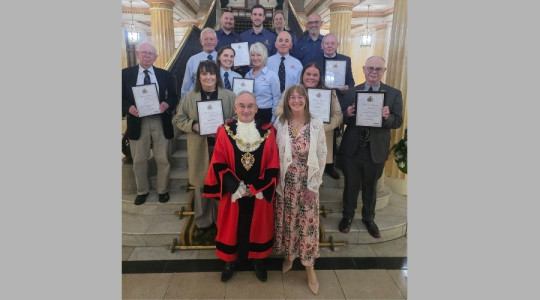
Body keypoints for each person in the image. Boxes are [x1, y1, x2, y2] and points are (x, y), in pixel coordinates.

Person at [202, 91, 279, 283]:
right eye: (242, 106)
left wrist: (256, 188)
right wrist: (234, 186)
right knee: (231, 227)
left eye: (250, 106)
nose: (246, 110)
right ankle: (230, 261)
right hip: (233, 192)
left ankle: (258, 260)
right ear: (235, 108)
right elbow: (218, 161)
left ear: (256, 108)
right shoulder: (224, 130)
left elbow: (273, 164)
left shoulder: (268, 131)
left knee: (259, 227)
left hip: (258, 193)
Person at [338, 56, 404, 238]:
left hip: (375, 150)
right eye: (370, 68)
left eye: (378, 69)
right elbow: (340, 117)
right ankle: (347, 217)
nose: (374, 72)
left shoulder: (393, 94)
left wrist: (387, 117)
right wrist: (347, 114)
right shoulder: (352, 92)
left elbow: (397, 122)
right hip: (353, 149)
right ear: (364, 69)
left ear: (384, 71)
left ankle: (369, 218)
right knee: (350, 185)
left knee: (370, 187)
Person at [273, 84, 327, 295]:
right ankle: (289, 256)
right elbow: (275, 154)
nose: (296, 100)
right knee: (288, 222)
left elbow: (322, 155)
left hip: (307, 183)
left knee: (307, 226)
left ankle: (309, 268)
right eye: (292, 97)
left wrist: (313, 186)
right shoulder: (280, 122)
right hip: (286, 184)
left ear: (306, 100)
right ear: (287, 101)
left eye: (300, 97)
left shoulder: (315, 123)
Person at [173, 60, 237, 234]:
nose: (208, 77)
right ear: (198, 77)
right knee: (201, 184)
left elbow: (237, 119)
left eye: (211, 73)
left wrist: (224, 127)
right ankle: (202, 221)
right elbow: (178, 119)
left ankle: (220, 219)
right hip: (199, 147)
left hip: (222, 148)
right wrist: (193, 125)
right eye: (204, 74)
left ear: (217, 76)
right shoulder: (190, 97)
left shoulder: (229, 96)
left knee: (221, 183)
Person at [122, 41, 179, 205]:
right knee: (139, 159)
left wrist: (167, 104)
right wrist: (128, 107)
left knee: (162, 158)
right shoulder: (125, 74)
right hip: (137, 121)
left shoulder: (165, 75)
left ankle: (163, 190)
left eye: (150, 53)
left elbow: (174, 97)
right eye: (144, 52)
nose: (147, 56)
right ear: (138, 54)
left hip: (160, 120)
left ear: (156, 57)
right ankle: (142, 191)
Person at [274, 62, 343, 179]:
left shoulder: (330, 93)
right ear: (302, 76)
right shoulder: (291, 91)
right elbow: (278, 111)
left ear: (320, 77)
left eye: (315, 75)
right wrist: (297, 120)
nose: (311, 77)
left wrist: (319, 127)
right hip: (296, 136)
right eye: (308, 74)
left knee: (317, 173)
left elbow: (338, 116)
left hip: (323, 135)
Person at [312, 33, 355, 110]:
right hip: (320, 99)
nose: (329, 46)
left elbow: (351, 82)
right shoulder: (314, 61)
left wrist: (346, 88)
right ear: (322, 45)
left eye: (332, 43)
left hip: (339, 100)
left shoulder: (345, 60)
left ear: (337, 45)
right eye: (327, 43)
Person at [244, 42, 281, 124]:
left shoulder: (272, 76)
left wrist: (272, 119)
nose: (255, 58)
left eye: (258, 55)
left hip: (266, 115)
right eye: (253, 55)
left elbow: (276, 98)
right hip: (249, 113)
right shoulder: (247, 75)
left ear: (264, 56)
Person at [180, 27, 218, 99]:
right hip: (197, 98)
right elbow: (186, 83)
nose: (209, 42)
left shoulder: (222, 59)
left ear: (216, 41)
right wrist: (183, 102)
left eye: (211, 39)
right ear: (201, 41)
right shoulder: (192, 60)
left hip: (218, 98)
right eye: (206, 39)